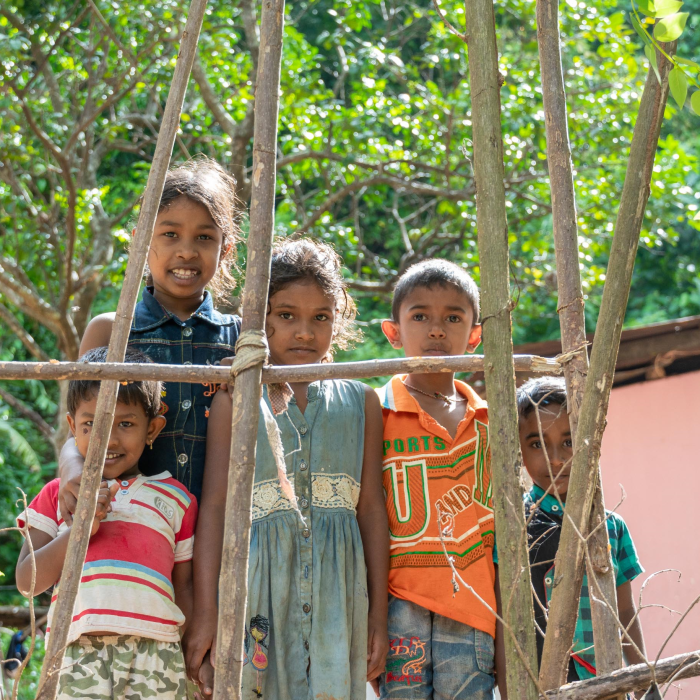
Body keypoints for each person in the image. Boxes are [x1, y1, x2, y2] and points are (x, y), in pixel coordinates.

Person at [184, 238, 389, 700]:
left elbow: (372, 510)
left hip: (341, 600)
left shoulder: (361, 402)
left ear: (339, 323)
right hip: (258, 593)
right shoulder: (235, 399)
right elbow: (215, 506)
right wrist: (207, 612)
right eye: (286, 315)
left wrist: (379, 615)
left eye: (321, 317)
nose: (304, 332)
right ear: (260, 320)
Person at [58, 157, 242, 510]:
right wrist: (71, 472)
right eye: (170, 234)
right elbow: (76, 434)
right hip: (125, 525)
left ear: (226, 248)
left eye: (204, 237)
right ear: (142, 241)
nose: (186, 250)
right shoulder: (111, 331)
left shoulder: (238, 336)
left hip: (213, 532)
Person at [15, 347, 198, 700]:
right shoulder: (59, 494)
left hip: (157, 654)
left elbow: (184, 587)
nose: (109, 440)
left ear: (152, 429)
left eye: (126, 424)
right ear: (72, 427)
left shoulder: (177, 499)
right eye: (92, 424)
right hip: (77, 653)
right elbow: (27, 581)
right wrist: (79, 529)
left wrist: (187, 653)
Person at [377, 259, 498, 699]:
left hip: (474, 607)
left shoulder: (490, 419)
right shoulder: (376, 411)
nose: (435, 329)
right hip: (398, 603)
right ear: (393, 333)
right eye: (420, 316)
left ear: (475, 334)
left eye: (452, 317)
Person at [499, 376, 646, 693]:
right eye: (537, 444)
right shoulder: (511, 529)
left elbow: (625, 612)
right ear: (518, 449)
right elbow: (503, 624)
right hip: (541, 689)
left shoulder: (611, 526)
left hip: (608, 686)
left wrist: (644, 684)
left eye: (569, 442)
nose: (555, 458)